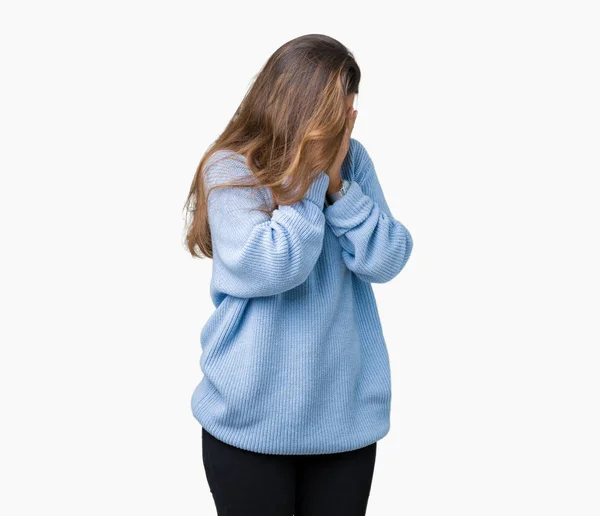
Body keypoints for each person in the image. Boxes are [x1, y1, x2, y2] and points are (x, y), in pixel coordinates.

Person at [183, 33, 413, 516]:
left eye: (351, 105)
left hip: (343, 425)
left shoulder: (352, 163)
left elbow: (388, 258)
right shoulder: (230, 169)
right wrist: (310, 175)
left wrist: (339, 190)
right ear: (300, 104)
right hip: (248, 425)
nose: (350, 118)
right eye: (339, 108)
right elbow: (273, 264)